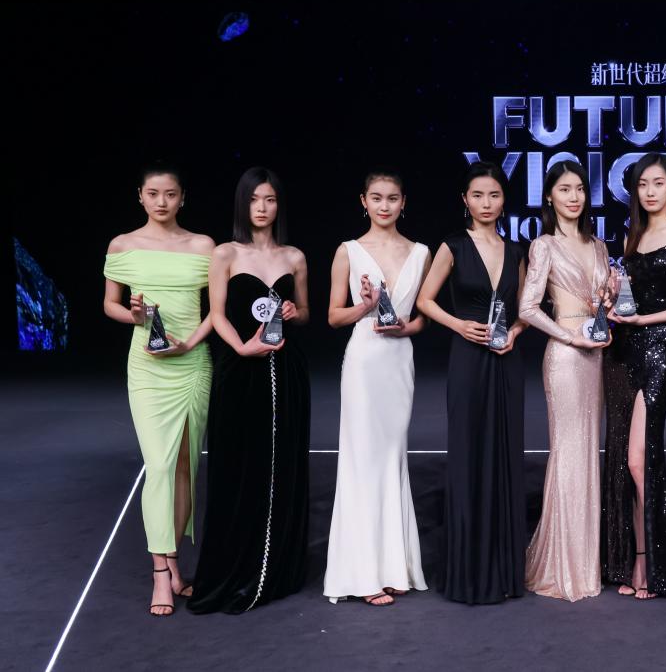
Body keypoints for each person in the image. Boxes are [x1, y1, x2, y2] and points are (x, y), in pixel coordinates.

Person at [190, 167, 310, 614]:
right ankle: (234, 567)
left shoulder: (294, 256)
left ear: (279, 205)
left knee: (283, 464)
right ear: (243, 204)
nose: (262, 208)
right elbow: (217, 313)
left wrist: (294, 311)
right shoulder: (225, 253)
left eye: (270, 200)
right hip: (239, 369)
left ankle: (278, 566)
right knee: (237, 464)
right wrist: (242, 347)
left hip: (286, 372)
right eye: (255, 199)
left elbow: (305, 314)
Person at [102, 163, 215, 616]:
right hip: (148, 367)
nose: (162, 201)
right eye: (153, 193)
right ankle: (160, 575)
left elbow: (217, 309)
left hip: (193, 363)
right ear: (141, 196)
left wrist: (190, 342)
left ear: (182, 198)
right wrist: (135, 316)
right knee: (160, 465)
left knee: (186, 466)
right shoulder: (123, 245)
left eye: (170, 194)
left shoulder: (204, 246)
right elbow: (110, 305)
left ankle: (174, 564)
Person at [419, 161, 529, 604]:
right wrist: (459, 325)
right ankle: (467, 573)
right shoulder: (452, 246)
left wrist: (515, 333)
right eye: (478, 195)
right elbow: (425, 301)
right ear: (464, 200)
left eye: (494, 195)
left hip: (506, 360)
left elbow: (525, 310)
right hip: (467, 358)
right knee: (467, 453)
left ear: (504, 201)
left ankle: (503, 572)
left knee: (505, 452)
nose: (486, 203)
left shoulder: (516, 251)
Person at [324, 169, 432, 606]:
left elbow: (423, 317)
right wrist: (364, 307)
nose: (384, 205)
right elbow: (334, 316)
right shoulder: (348, 251)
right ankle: (364, 574)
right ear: (363, 201)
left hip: (399, 360)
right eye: (376, 197)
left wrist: (408, 326)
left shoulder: (421, 252)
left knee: (392, 457)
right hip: (364, 361)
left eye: (392, 198)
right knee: (361, 460)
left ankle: (393, 567)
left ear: (404, 202)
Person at [603, 152, 666, 600]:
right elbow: (627, 295)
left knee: (639, 459)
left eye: (658, 183)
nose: (650, 192)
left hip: (659, 348)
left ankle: (654, 564)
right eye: (642, 184)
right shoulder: (634, 234)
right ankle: (636, 558)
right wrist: (611, 298)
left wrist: (645, 320)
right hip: (621, 351)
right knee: (625, 462)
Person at [519, 161, 611, 602]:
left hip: (596, 356)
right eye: (564, 189)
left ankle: (584, 561)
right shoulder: (544, 246)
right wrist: (569, 336)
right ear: (549, 196)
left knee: (587, 452)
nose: (574, 197)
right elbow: (527, 308)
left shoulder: (600, 246)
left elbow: (602, 303)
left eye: (579, 189)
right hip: (565, 356)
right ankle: (562, 566)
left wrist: (608, 303)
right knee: (569, 451)